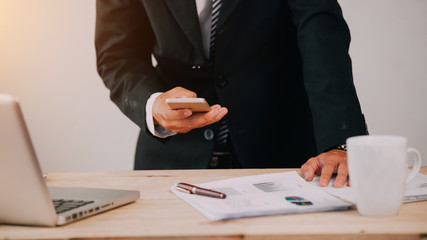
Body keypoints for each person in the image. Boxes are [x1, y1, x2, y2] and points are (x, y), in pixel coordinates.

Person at [95, 0, 368, 188]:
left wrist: (339, 142)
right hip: (171, 165)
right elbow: (118, 55)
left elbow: (320, 32)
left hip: (284, 156)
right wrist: (153, 104)